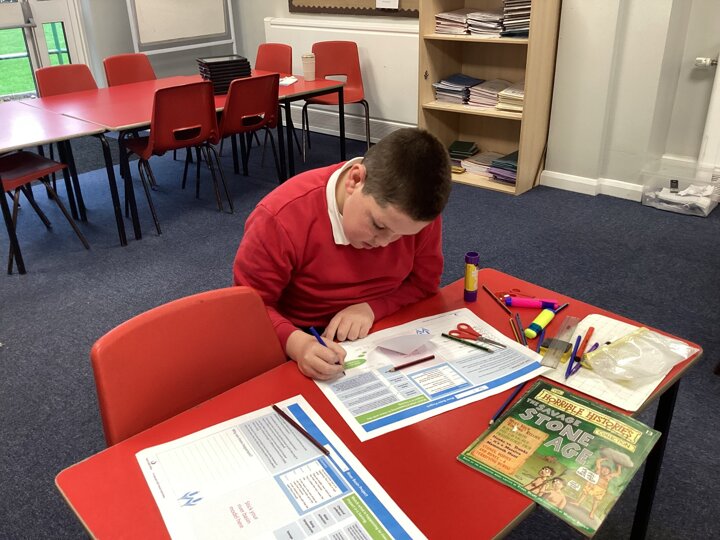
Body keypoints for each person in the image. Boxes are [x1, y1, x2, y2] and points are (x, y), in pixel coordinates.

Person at [233, 128, 452, 380]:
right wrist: (298, 344)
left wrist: (371, 309)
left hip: (381, 327)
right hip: (302, 337)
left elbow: (424, 283)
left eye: (402, 235)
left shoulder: (411, 216)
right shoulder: (279, 218)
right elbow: (251, 309)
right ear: (355, 180)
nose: (384, 243)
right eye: (378, 226)